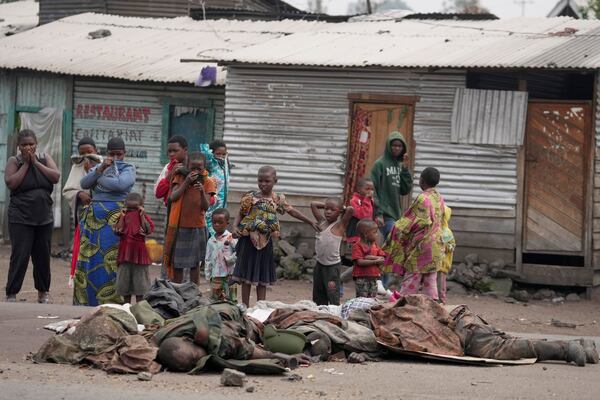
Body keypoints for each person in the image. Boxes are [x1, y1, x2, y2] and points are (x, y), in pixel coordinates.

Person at [232, 166, 318, 307]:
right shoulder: (250, 198)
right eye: (260, 181)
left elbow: (292, 211)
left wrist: (310, 221)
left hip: (265, 243)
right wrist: (235, 227)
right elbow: (241, 214)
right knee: (245, 275)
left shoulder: (277, 199)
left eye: (267, 181)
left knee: (262, 276)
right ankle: (245, 307)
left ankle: (261, 306)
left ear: (275, 181)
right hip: (248, 240)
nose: (263, 184)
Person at [75, 137, 136, 306]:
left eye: (119, 154)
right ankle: (88, 300)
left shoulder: (129, 168)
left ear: (125, 153)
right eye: (112, 154)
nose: (116, 158)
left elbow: (120, 185)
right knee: (92, 257)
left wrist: (98, 176)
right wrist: (100, 169)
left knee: (113, 259)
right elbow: (84, 182)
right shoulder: (99, 167)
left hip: (117, 220)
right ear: (106, 153)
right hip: (95, 219)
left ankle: (113, 302)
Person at [4, 130, 60, 303]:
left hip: (43, 216)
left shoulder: (44, 158)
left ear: (36, 144)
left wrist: (36, 163)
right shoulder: (15, 161)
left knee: (42, 256)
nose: (28, 147)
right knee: (20, 255)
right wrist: (27, 165)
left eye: (31, 144)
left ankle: (43, 292)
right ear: (18, 147)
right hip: (21, 217)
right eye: (24, 144)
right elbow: (11, 183)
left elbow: (55, 176)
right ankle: (12, 293)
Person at [383, 167, 445, 301]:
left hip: (422, 246)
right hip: (437, 245)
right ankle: (432, 308)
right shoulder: (439, 197)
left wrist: (396, 229)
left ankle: (403, 305)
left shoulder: (423, 198)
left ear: (421, 181)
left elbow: (413, 221)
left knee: (412, 277)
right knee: (430, 279)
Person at [163, 152, 217, 285]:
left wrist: (201, 192)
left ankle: (194, 292)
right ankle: (178, 291)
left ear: (204, 168)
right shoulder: (180, 177)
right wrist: (186, 182)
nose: (196, 171)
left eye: (199, 168)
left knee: (195, 265)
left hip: (197, 228)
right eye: (193, 168)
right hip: (180, 228)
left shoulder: (208, 182)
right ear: (187, 166)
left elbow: (205, 207)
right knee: (178, 264)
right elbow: (172, 197)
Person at [62, 137, 102, 288]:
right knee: (84, 248)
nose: (86, 156)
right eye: (82, 153)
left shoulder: (103, 164)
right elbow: (68, 190)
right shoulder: (76, 167)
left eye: (89, 152)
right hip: (84, 213)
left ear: (96, 151)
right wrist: (79, 194)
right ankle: (82, 283)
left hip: (101, 213)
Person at [310, 198, 353, 306]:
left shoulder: (340, 225)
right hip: (319, 264)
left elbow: (350, 209)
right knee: (319, 291)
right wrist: (329, 205)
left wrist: (342, 208)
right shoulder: (321, 222)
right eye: (326, 209)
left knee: (332, 291)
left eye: (332, 210)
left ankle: (334, 312)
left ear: (339, 212)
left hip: (332, 267)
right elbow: (313, 204)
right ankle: (320, 310)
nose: (328, 212)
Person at [370, 131, 412, 240]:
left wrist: (405, 170)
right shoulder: (379, 164)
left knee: (390, 246)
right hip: (384, 214)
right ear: (389, 146)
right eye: (394, 145)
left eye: (399, 146)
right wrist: (378, 214)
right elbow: (373, 190)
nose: (396, 148)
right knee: (394, 238)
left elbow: (405, 190)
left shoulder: (400, 165)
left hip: (396, 213)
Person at [114, 192, 154, 304]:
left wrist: (141, 215)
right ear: (125, 206)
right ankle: (127, 307)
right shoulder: (123, 216)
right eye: (129, 208)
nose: (132, 211)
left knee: (140, 285)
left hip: (139, 255)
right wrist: (122, 216)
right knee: (124, 285)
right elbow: (117, 230)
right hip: (125, 254)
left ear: (141, 206)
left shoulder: (143, 216)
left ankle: (138, 309)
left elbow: (148, 229)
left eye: (135, 208)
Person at [205, 208, 238, 301]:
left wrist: (231, 258)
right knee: (215, 299)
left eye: (220, 222)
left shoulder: (230, 237)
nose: (217, 225)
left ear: (227, 223)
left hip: (230, 274)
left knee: (231, 298)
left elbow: (238, 251)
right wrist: (208, 275)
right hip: (216, 275)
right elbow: (207, 259)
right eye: (214, 222)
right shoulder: (211, 241)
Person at [201, 139, 230, 237]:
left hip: (222, 205)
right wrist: (208, 149)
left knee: (219, 233)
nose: (221, 156)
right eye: (218, 154)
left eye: (223, 154)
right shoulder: (212, 164)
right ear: (213, 154)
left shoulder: (224, 166)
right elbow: (206, 155)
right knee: (210, 230)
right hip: (212, 204)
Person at [352, 219, 386, 298]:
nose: (377, 234)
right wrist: (375, 261)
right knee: (362, 299)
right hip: (362, 279)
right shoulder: (357, 246)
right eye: (375, 232)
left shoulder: (375, 245)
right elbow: (359, 262)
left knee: (372, 299)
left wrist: (370, 257)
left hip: (373, 279)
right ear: (366, 234)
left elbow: (382, 257)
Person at [154, 135, 189, 206]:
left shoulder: (194, 166)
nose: (171, 154)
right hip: (171, 208)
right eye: (169, 151)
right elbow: (158, 193)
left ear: (185, 150)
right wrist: (171, 173)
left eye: (175, 151)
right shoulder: (168, 168)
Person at [346, 178, 375, 245]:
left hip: (367, 234)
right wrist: (367, 200)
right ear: (359, 189)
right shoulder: (354, 200)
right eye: (367, 189)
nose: (370, 192)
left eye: (372, 189)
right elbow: (362, 216)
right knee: (356, 253)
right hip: (356, 235)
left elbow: (371, 215)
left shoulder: (370, 200)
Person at [438, 205, 455, 304]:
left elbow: (452, 246)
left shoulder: (447, 232)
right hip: (432, 264)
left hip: (442, 264)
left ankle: (441, 302)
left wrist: (445, 247)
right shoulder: (434, 229)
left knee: (440, 286)